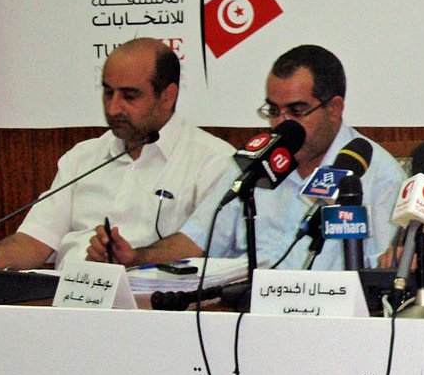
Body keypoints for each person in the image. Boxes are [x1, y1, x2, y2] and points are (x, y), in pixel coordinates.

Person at [88, 45, 406, 270]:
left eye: (296, 111)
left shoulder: (379, 175)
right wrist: (135, 257)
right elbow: (198, 240)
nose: (282, 124)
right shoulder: (256, 162)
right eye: (273, 110)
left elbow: (385, 272)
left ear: (334, 109)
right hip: (246, 318)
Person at [0, 38, 233, 270]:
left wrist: (133, 258)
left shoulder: (213, 161)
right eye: (108, 92)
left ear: (168, 96)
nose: (113, 107)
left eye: (130, 96)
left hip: (153, 309)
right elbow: (34, 241)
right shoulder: (82, 157)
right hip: (67, 299)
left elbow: (200, 245)